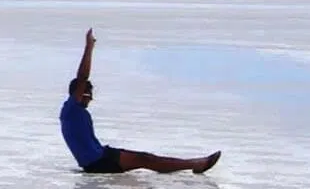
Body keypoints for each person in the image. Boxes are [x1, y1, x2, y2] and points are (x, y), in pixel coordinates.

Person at [60, 29, 219, 175]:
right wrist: (89, 48)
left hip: (102, 155)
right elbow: (82, 78)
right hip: (98, 163)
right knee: (147, 160)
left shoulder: (76, 111)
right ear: (80, 94)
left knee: (146, 158)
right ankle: (196, 164)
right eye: (88, 95)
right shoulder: (71, 109)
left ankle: (194, 163)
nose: (91, 98)